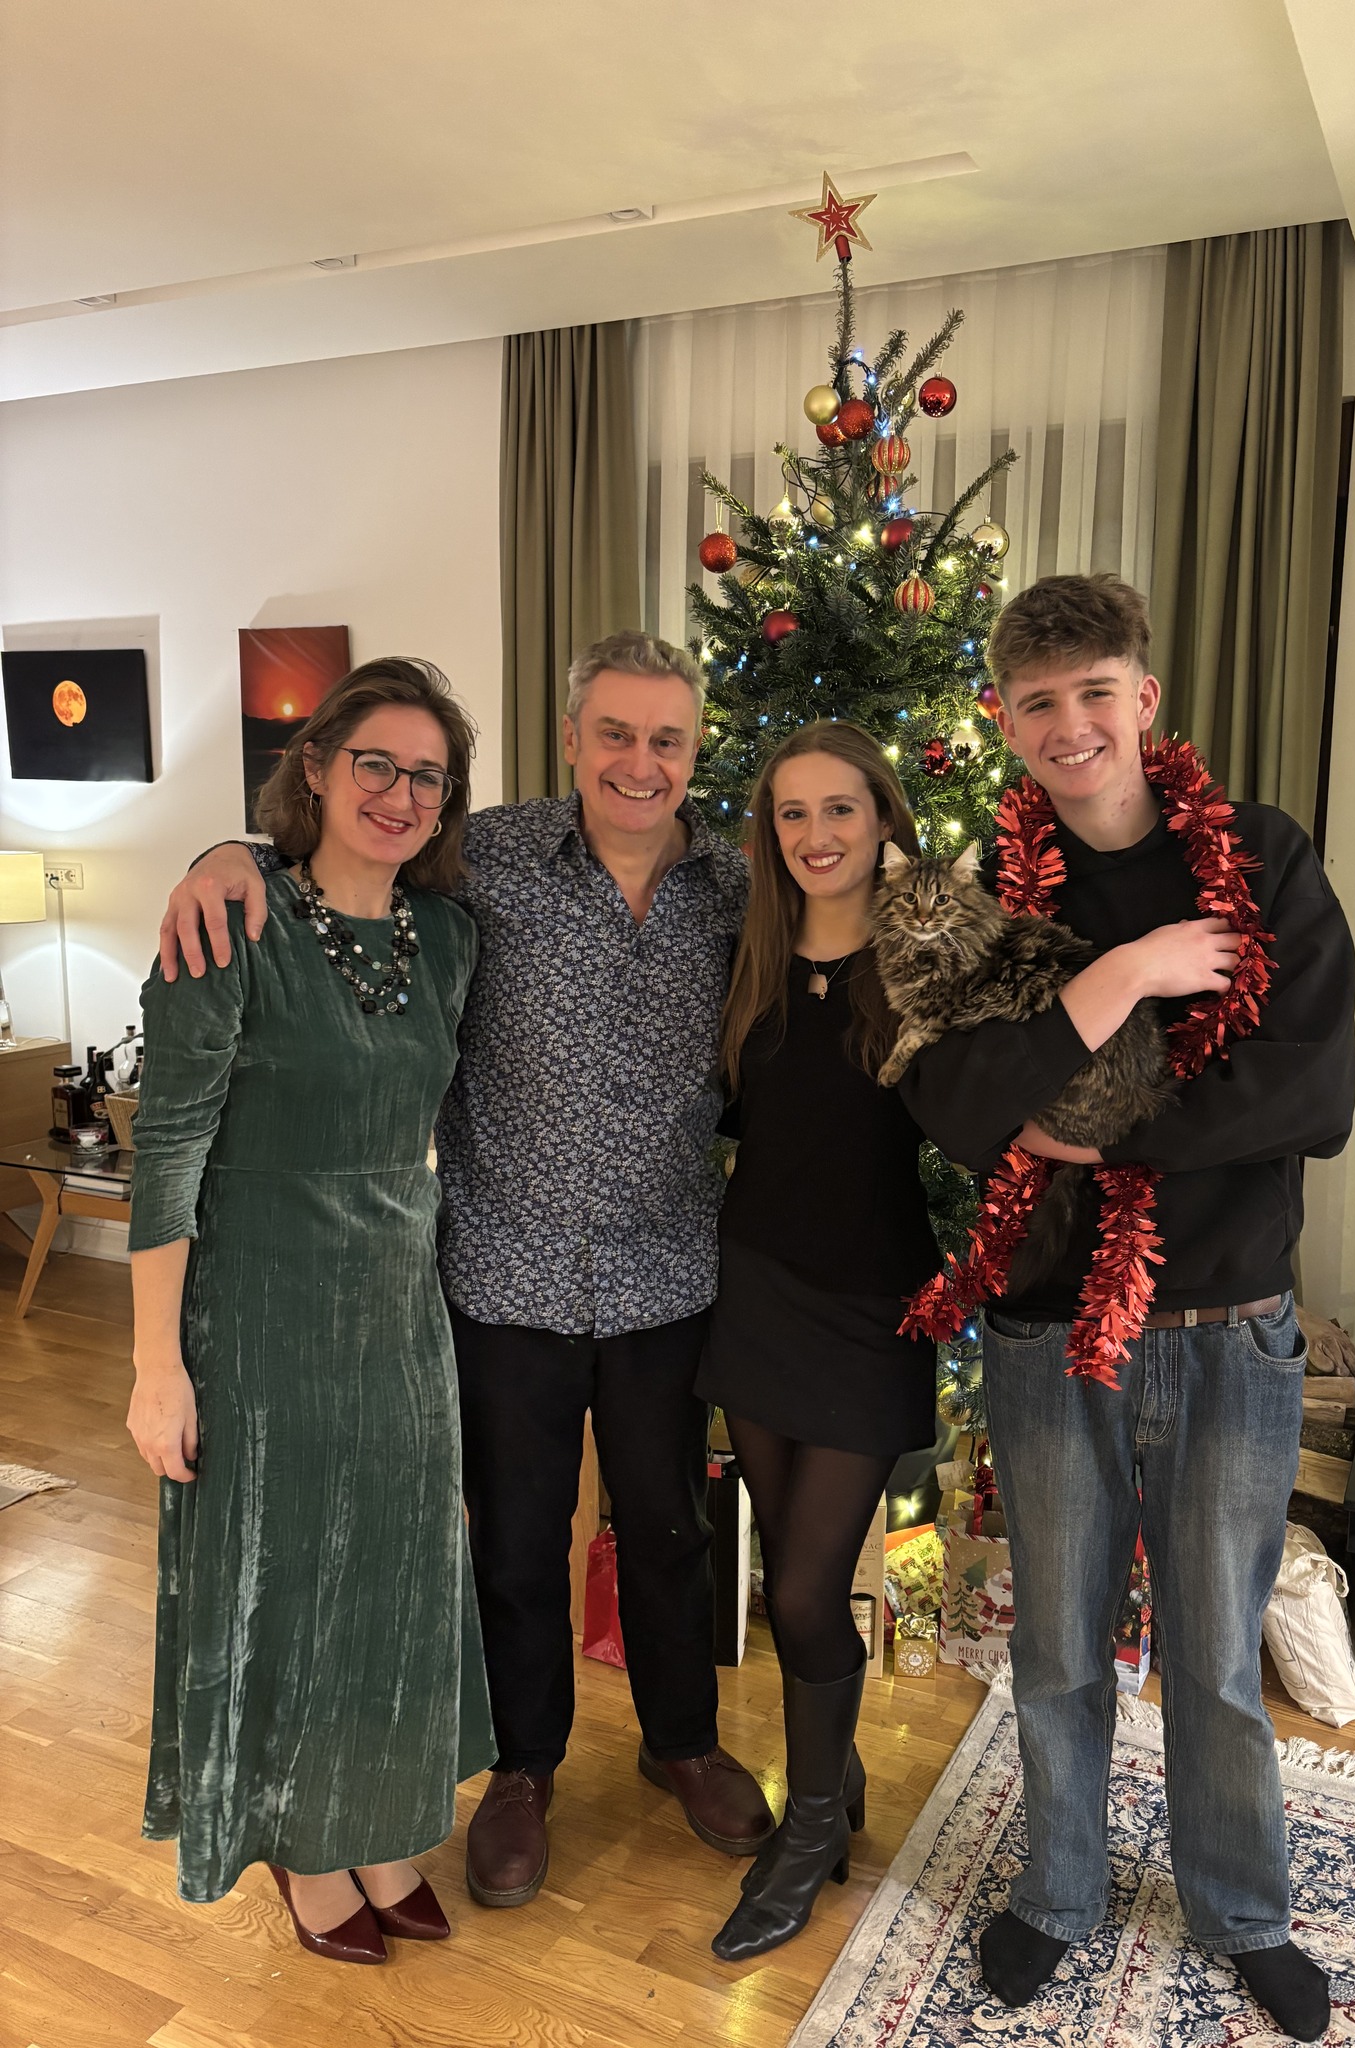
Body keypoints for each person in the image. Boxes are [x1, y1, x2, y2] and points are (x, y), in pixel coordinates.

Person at [155, 632, 773, 1911]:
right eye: (615, 732)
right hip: (500, 1270)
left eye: (666, 738)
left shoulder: (736, 885)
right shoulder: (487, 859)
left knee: (667, 1526)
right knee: (515, 1537)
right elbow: (340, 860)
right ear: (573, 737)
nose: (640, 761)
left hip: (666, 1269)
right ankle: (523, 1768)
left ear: (694, 749)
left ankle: (682, 1740)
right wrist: (225, 853)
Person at [899, 574, 1355, 2045]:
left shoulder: (1259, 860)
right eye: (1038, 702)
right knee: (1056, 1644)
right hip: (1047, 1329)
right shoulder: (991, 898)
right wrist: (1122, 975)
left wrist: (1096, 1137)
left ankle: (1242, 1911)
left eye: (1095, 691)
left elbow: (1311, 1091)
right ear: (1006, 720)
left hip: (1229, 1325)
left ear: (1143, 698)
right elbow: (961, 1102)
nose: (1070, 724)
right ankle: (1059, 1890)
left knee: (1217, 1652)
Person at [127, 658, 495, 1962]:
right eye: (376, 763)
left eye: (427, 776)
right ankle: (301, 1839)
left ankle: (379, 1821)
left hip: (399, 1308)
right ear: (320, 768)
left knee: (393, 1577)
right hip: (260, 1308)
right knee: (286, 1586)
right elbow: (166, 1151)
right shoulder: (234, 923)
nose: (400, 794)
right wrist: (156, 1367)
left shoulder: (449, 936)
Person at [698, 723, 939, 1961]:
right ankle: (833, 1779)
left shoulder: (925, 963)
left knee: (803, 1586)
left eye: (840, 807)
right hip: (755, 1291)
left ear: (883, 816)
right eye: (792, 812)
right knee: (787, 1566)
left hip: (873, 1308)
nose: (816, 833)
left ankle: (809, 1831)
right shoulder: (745, 955)